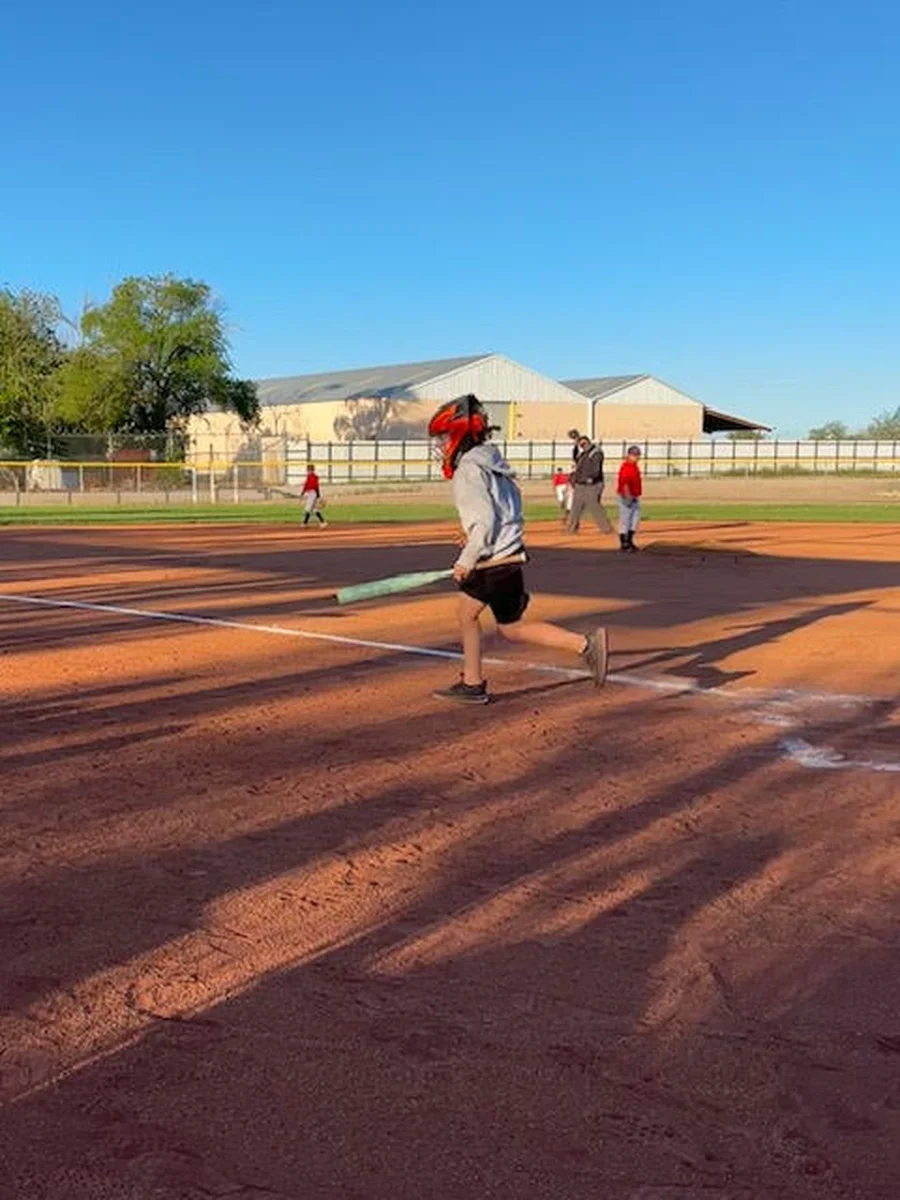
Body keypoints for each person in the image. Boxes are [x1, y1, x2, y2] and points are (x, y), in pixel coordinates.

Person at [428, 394, 608, 704]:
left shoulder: (468, 470)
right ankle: (582, 646)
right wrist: (473, 538)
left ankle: (475, 683)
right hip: (506, 556)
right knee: (488, 620)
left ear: (459, 435)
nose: (441, 445)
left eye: (444, 437)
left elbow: (483, 521)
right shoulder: (492, 461)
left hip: (491, 561)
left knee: (490, 621)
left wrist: (468, 557)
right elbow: (501, 513)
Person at [567, 436, 613, 534]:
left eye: (583, 444)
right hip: (580, 483)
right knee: (576, 507)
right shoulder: (582, 454)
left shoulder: (596, 453)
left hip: (593, 484)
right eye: (580, 445)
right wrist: (575, 445)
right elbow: (575, 458)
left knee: (594, 505)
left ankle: (606, 529)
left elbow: (596, 467)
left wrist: (591, 477)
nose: (582, 446)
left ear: (588, 443)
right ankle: (571, 529)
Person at [617, 445, 643, 552]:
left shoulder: (634, 466)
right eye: (634, 455)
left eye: (637, 455)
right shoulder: (626, 466)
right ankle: (624, 544)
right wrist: (627, 497)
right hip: (626, 496)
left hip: (635, 496)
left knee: (635, 520)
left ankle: (630, 541)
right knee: (625, 520)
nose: (636, 457)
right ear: (629, 455)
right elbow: (625, 483)